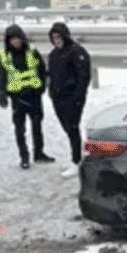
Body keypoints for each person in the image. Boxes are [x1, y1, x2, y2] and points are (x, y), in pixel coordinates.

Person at [0, 24, 55, 169]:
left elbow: (42, 69)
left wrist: (41, 87)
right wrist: (1, 95)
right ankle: (24, 157)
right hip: (17, 98)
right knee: (20, 129)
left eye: (17, 38)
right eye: (12, 39)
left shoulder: (32, 51)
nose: (15, 42)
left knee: (37, 126)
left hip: (34, 95)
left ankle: (39, 153)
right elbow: (1, 77)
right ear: (8, 41)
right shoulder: (5, 56)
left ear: (22, 38)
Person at [46, 21, 91, 178]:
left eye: (59, 37)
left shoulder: (76, 52)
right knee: (67, 128)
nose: (56, 40)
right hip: (58, 98)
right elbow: (50, 75)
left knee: (73, 128)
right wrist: (51, 91)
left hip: (73, 98)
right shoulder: (53, 55)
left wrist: (77, 97)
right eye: (53, 37)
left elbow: (83, 77)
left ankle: (76, 160)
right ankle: (76, 156)